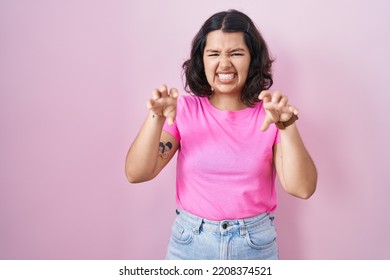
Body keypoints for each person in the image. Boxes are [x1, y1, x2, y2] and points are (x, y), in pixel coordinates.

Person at [125, 9, 317, 260]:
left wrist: (287, 124)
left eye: (236, 53)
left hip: (254, 247)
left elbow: (302, 188)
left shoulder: (271, 114)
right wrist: (156, 117)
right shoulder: (183, 110)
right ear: (201, 60)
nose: (224, 63)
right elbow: (136, 173)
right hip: (191, 244)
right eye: (214, 54)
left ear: (252, 59)